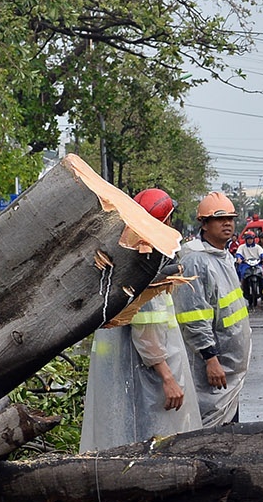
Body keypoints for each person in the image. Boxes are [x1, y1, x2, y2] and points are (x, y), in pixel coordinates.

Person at [82, 188, 201, 451]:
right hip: (147, 374)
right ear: (166, 220)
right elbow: (146, 328)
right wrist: (168, 378)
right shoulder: (147, 260)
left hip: (122, 368)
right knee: (152, 441)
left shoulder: (124, 250)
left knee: (124, 435)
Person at [171, 191, 253, 426]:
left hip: (229, 368)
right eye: (220, 219)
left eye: (230, 218)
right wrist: (210, 359)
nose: (227, 223)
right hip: (213, 367)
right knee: (210, 432)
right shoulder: (196, 260)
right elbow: (194, 316)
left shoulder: (222, 256)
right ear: (204, 224)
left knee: (229, 432)